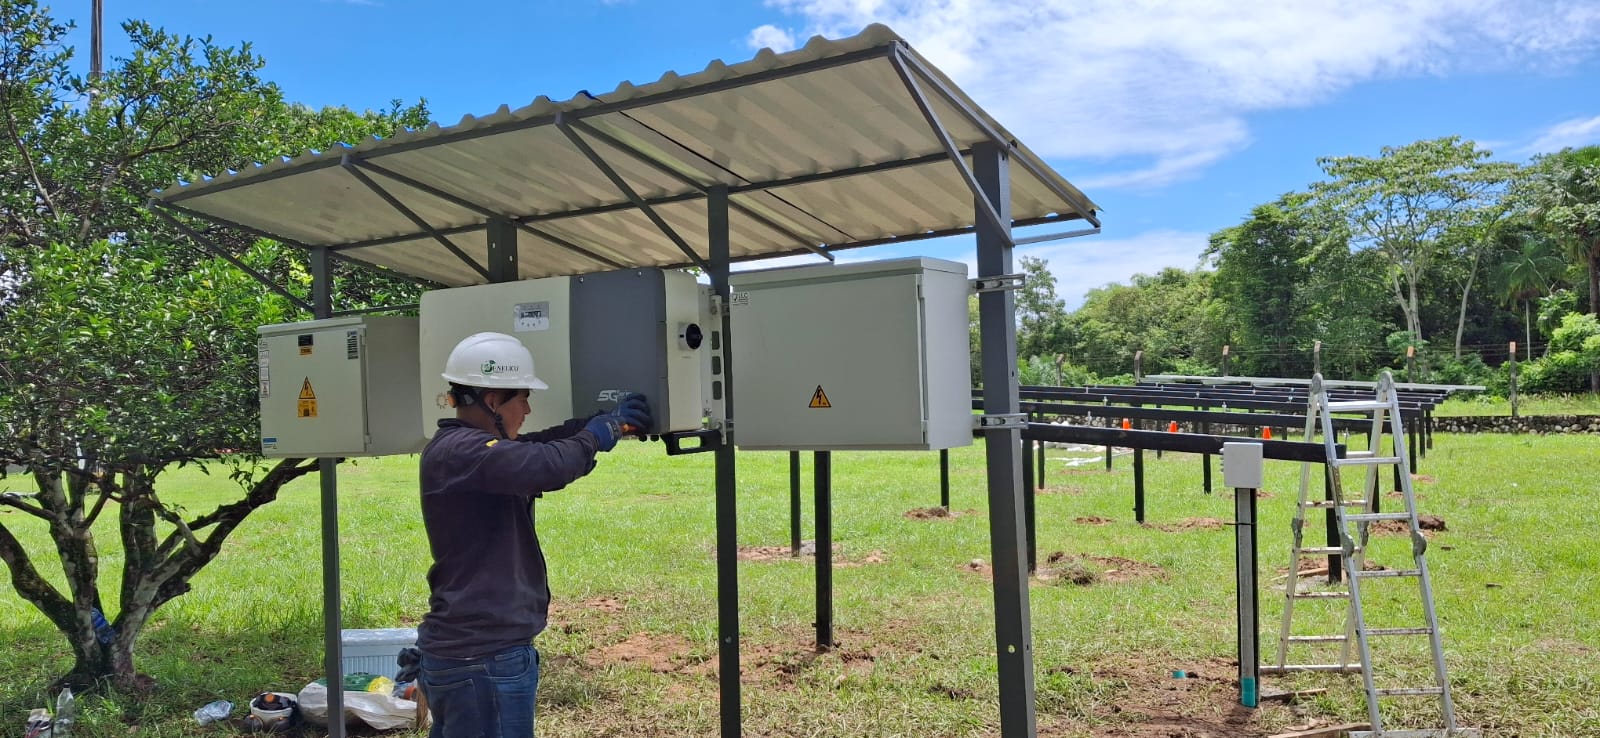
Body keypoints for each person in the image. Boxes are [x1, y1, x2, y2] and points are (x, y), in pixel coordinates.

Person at [415, 331, 650, 738]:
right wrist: (596, 433)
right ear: (492, 401)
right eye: (522, 396)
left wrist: (591, 426)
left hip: (474, 652)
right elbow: (544, 465)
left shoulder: (468, 447)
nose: (527, 407)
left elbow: (538, 446)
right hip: (481, 657)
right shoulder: (463, 452)